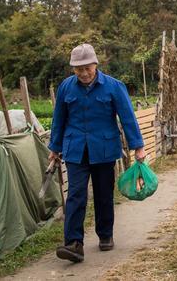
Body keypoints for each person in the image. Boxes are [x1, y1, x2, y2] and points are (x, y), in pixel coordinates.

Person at [48, 43, 145, 263]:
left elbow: (127, 117)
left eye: (87, 68)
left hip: (104, 149)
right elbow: (59, 119)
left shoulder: (113, 86)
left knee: (103, 193)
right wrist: (55, 148)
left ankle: (105, 234)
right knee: (75, 194)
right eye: (78, 69)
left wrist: (138, 146)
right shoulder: (66, 87)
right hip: (75, 150)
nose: (83, 73)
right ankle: (73, 243)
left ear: (95, 64)